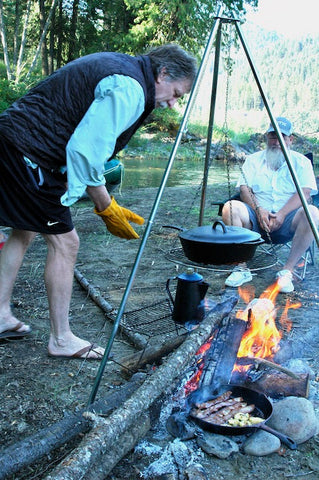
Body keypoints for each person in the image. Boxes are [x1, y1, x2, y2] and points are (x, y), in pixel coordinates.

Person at [0, 44, 197, 358]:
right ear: (162, 74)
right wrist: (107, 207)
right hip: (28, 150)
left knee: (25, 230)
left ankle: (0, 313)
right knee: (66, 243)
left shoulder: (124, 67)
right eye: (176, 93)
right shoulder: (131, 87)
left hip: (14, 139)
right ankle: (61, 339)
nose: (173, 103)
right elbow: (85, 151)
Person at [222, 116, 319, 293]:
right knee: (230, 207)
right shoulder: (253, 160)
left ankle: (287, 271)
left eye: (282, 137)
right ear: (267, 138)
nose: (276, 142)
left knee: (312, 213)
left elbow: (304, 193)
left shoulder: (301, 163)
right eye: (272, 136)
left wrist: (281, 214)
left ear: (291, 139)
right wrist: (259, 211)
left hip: (289, 221)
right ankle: (241, 267)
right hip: (255, 219)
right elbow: (244, 189)